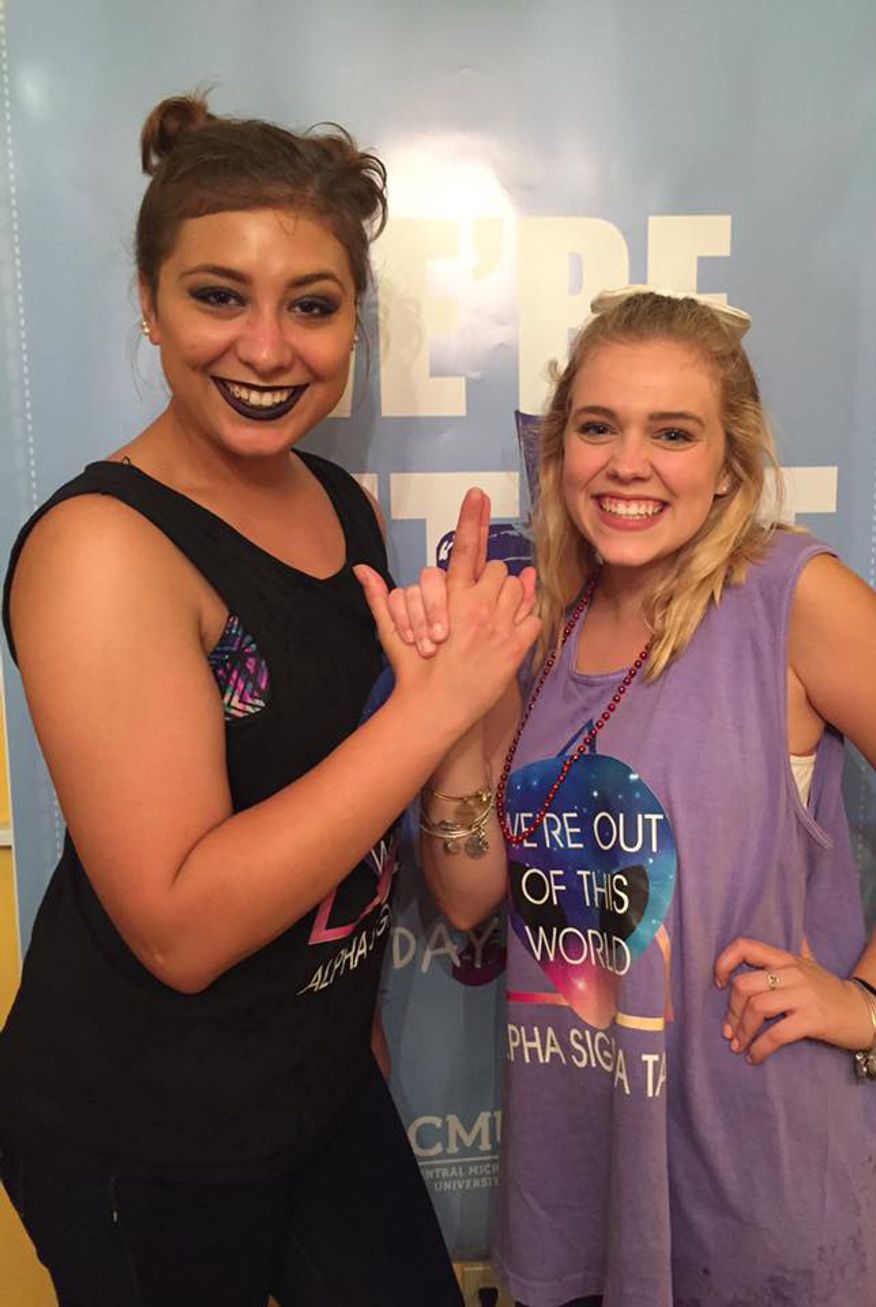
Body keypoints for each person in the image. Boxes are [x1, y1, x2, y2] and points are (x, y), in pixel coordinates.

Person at [0, 93, 540, 1307]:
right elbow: (180, 929)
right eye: (216, 296)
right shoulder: (100, 550)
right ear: (148, 303)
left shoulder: (335, 502)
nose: (266, 348)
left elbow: (327, 817)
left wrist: (345, 1020)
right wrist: (434, 707)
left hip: (315, 1083)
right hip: (143, 1127)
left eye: (311, 304)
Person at [363, 288, 876, 1306]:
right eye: (597, 427)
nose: (627, 463)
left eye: (673, 433)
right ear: (561, 448)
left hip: (756, 1185)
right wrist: (448, 713)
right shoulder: (541, 623)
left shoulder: (791, 595)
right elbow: (469, 898)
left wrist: (872, 1000)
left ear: (729, 462)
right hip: (578, 1171)